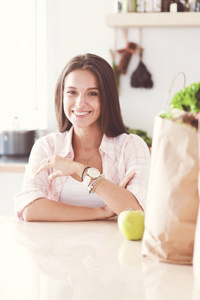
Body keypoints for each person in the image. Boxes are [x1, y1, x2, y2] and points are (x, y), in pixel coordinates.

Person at [14, 53, 150, 222]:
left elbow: (137, 210)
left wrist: (82, 171)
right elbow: (30, 208)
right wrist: (102, 211)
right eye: (72, 92)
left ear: (107, 98)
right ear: (61, 96)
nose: (80, 103)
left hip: (113, 246)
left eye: (92, 93)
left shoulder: (131, 146)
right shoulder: (47, 147)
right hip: (56, 246)